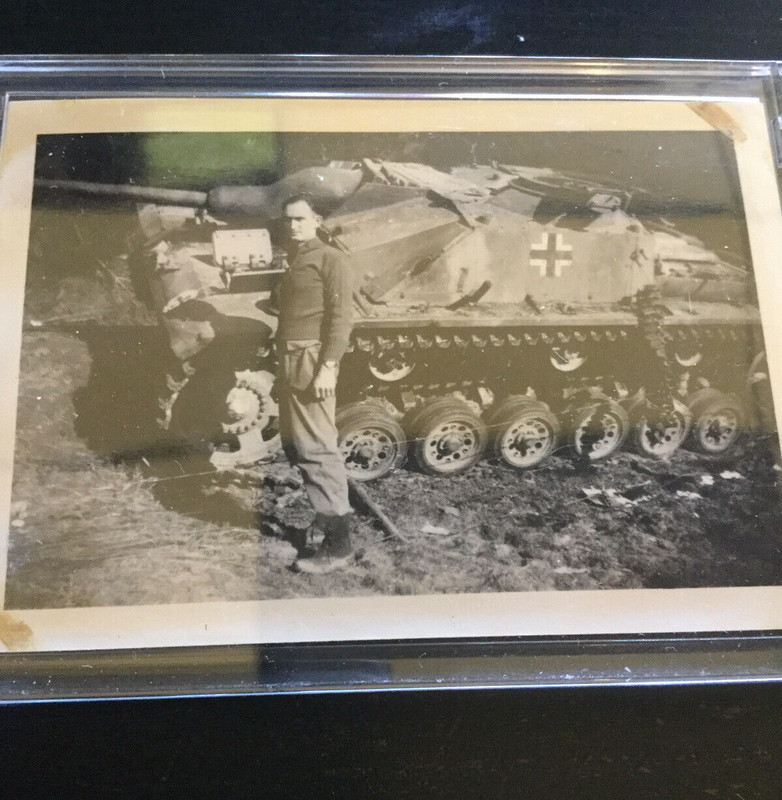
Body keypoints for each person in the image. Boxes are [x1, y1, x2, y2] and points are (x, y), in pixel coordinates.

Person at [275, 194, 354, 573]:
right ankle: (327, 524)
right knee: (299, 444)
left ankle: (339, 547)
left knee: (317, 448)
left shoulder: (330, 258)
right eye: (288, 219)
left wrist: (328, 366)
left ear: (318, 221)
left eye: (300, 219)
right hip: (292, 357)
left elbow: (341, 318)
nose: (293, 225)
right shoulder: (297, 257)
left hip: (311, 360)